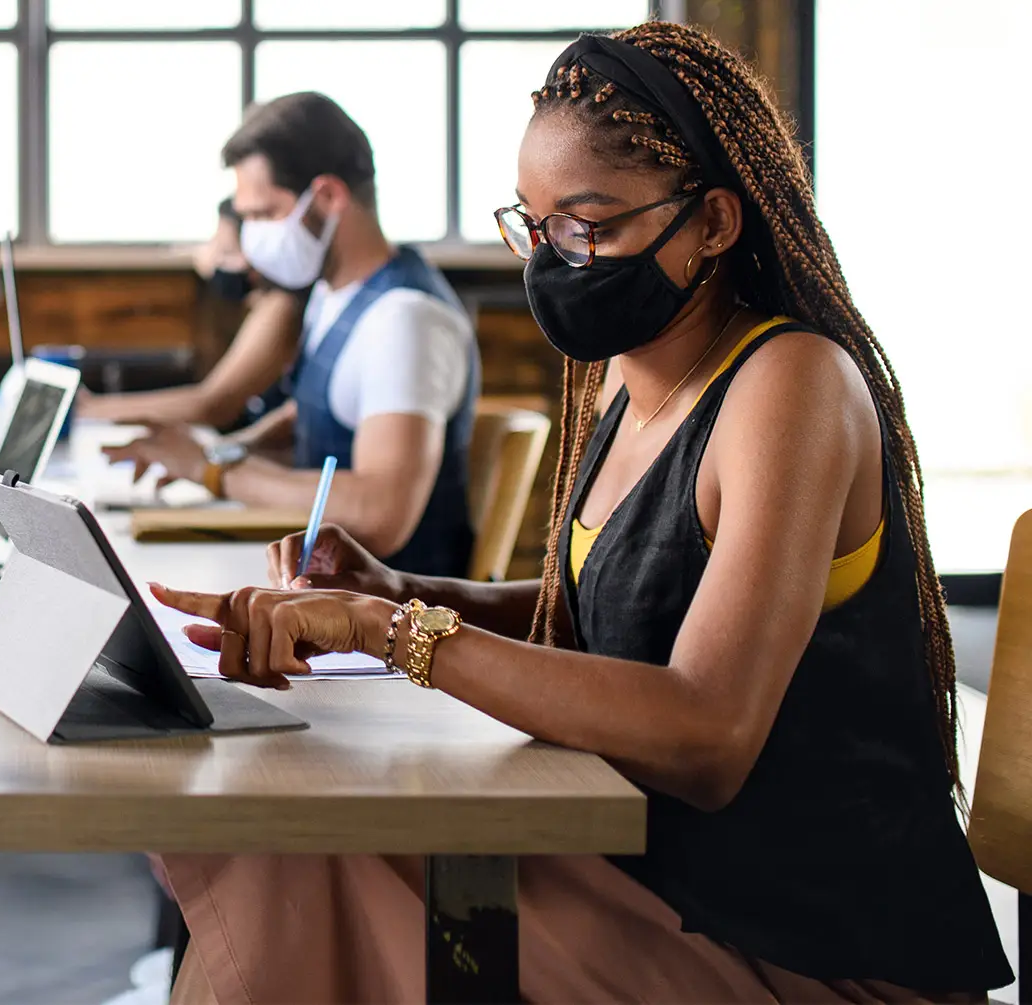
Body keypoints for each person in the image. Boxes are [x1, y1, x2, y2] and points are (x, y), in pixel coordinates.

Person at [149, 23, 1010, 1002]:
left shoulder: (791, 385)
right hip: (660, 871)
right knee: (293, 839)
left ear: (716, 222)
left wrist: (393, 632)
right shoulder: (623, 380)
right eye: (535, 223)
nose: (555, 258)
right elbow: (616, 603)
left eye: (588, 227)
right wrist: (403, 588)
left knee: (315, 863)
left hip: (805, 942)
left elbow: (706, 736)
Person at [105, 93, 480, 576]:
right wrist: (215, 452)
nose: (253, 236)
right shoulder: (333, 294)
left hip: (382, 624)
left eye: (263, 215)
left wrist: (214, 470)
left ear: (327, 198)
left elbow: (382, 512)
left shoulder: (404, 319)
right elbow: (311, 424)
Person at [81, 198, 304, 431]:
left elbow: (211, 405)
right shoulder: (251, 307)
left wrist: (91, 408)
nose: (216, 261)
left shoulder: (280, 307)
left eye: (227, 252)